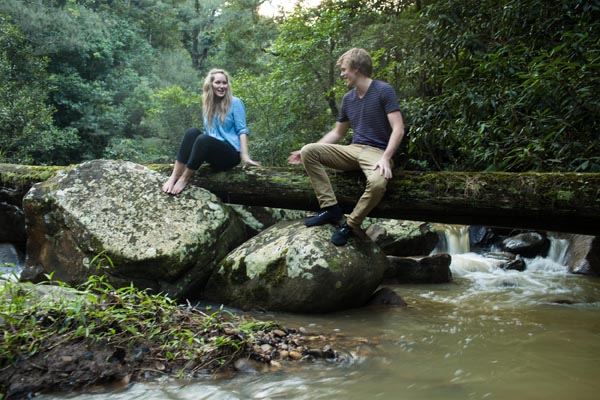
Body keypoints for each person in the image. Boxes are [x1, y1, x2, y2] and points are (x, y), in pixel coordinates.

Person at [288, 48, 405, 246]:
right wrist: (306, 150)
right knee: (309, 150)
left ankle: (350, 225)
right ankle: (330, 208)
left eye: (344, 70)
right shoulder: (348, 99)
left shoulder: (384, 91)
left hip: (377, 153)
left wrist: (386, 157)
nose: (342, 74)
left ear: (357, 68)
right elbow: (337, 133)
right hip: (353, 149)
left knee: (377, 184)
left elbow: (399, 128)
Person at [162, 68, 260, 195]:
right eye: (218, 83)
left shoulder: (235, 103)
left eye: (224, 83)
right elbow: (210, 133)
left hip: (230, 155)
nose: (222, 86)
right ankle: (173, 176)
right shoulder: (208, 105)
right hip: (214, 152)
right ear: (210, 85)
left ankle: (184, 178)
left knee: (203, 139)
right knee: (192, 132)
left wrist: (245, 156)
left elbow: (242, 130)